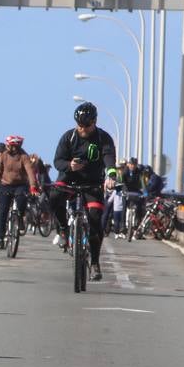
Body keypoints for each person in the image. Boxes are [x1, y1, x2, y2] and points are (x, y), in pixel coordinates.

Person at [47, 101, 117, 281]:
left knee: (95, 219)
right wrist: (69, 166)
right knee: (54, 196)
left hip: (92, 183)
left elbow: (109, 159)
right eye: (79, 125)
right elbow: (57, 161)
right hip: (69, 179)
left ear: (94, 122)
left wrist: (111, 175)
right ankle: (63, 228)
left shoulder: (103, 138)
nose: (82, 129)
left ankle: (94, 262)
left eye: (86, 126)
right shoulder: (68, 137)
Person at [0, 134, 39, 249]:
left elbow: (30, 172)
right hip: (5, 185)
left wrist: (33, 186)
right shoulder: (4, 156)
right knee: (3, 211)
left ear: (16, 146)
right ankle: (1, 238)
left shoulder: (24, 156)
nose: (7, 147)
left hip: (20, 185)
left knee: (22, 199)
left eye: (9, 145)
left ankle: (20, 218)